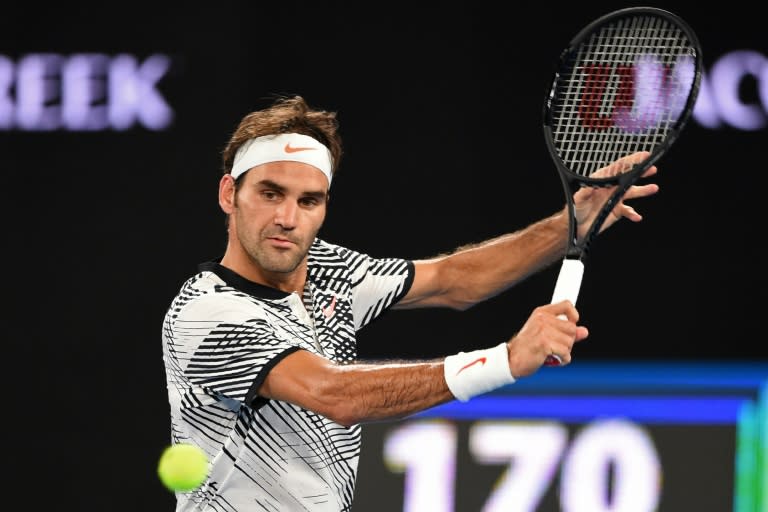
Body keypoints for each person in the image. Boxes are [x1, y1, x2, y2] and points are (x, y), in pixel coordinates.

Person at [161, 94, 659, 511]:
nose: (288, 218)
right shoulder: (207, 313)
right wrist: (503, 360)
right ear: (230, 194)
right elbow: (335, 395)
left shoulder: (330, 269)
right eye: (270, 194)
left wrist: (571, 221)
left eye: (308, 200)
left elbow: (452, 280)